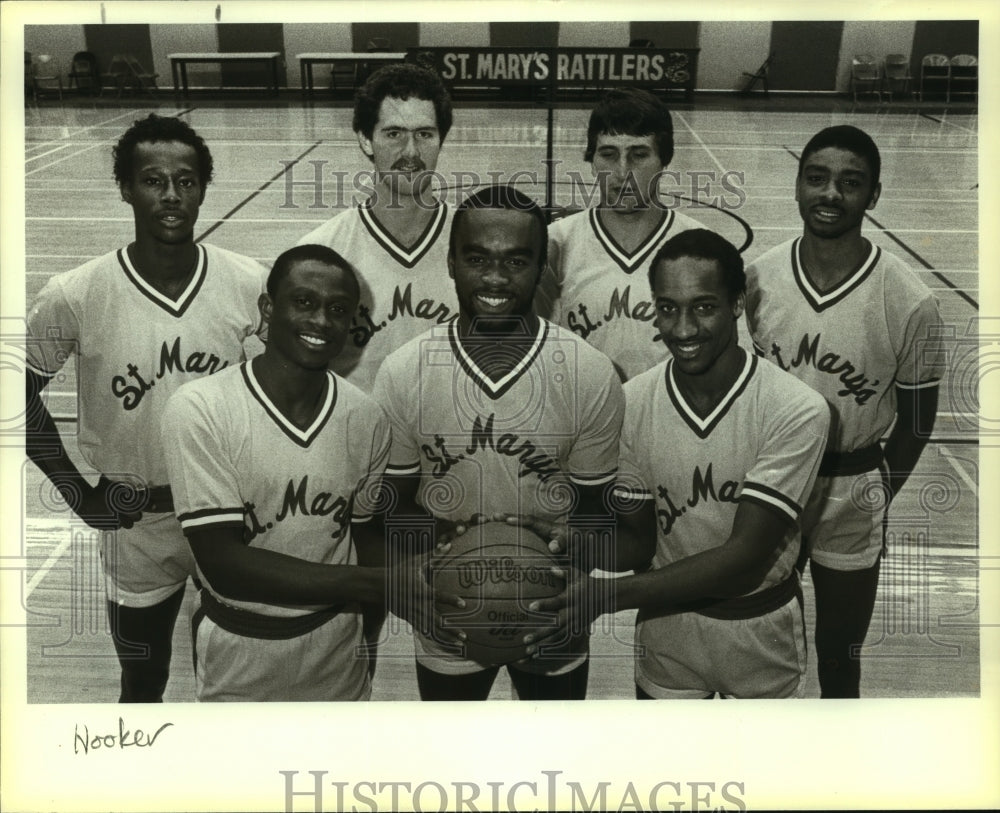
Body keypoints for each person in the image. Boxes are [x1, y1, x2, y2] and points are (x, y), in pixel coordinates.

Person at [520, 229, 830, 698]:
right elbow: (639, 544)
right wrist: (576, 544)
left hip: (760, 631)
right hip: (667, 631)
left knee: (768, 772)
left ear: (738, 303)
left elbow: (744, 559)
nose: (682, 329)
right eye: (667, 308)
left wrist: (607, 597)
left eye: (703, 307)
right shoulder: (629, 403)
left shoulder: (796, 408)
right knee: (668, 769)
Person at [24, 114, 268, 702]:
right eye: (154, 180)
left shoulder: (248, 282)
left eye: (186, 181)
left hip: (233, 516)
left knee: (237, 680)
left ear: (204, 188)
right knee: (141, 679)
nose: (171, 195)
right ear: (126, 187)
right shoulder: (76, 293)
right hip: (136, 525)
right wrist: (79, 493)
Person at [160, 245, 451, 701]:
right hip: (238, 650)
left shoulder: (366, 417)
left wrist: (437, 573)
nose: (321, 321)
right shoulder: (200, 408)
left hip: (337, 647)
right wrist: (381, 585)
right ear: (267, 308)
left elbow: (362, 534)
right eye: (304, 302)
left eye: (338, 310)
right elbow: (223, 561)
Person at [371, 185, 625, 700]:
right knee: (452, 765)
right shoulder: (403, 372)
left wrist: (563, 559)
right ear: (449, 262)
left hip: (552, 612)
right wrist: (416, 578)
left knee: (554, 762)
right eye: (477, 258)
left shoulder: (588, 372)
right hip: (447, 613)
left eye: (516, 260)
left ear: (541, 269)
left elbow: (600, 513)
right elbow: (395, 508)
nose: (493, 277)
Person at [743, 125, 943, 698]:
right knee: (755, 651)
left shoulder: (911, 301)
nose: (831, 194)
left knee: (838, 657)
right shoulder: (758, 278)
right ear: (798, 185)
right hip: (770, 478)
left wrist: (879, 489)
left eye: (850, 183)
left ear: (873, 195)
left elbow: (919, 421)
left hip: (852, 484)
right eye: (817, 178)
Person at [297, 62, 457, 393]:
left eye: (424, 134)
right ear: (366, 140)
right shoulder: (323, 254)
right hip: (360, 439)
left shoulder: (476, 246)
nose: (411, 152)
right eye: (394, 133)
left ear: (441, 139)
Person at [537, 87, 708, 381]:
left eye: (639, 155)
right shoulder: (556, 242)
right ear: (591, 159)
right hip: (582, 416)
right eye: (608, 154)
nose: (622, 172)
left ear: (664, 159)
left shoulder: (700, 245)